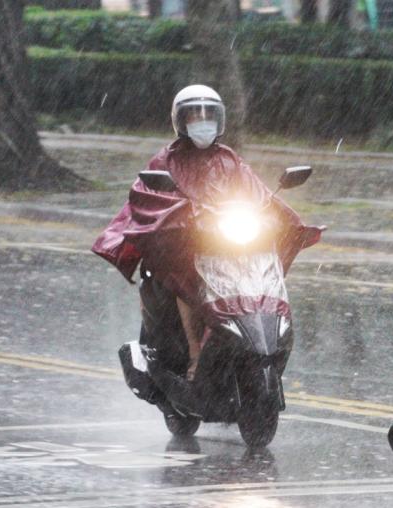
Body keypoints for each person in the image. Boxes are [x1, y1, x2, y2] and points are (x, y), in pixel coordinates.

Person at [92, 84, 321, 380]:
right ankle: (195, 356)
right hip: (189, 246)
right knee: (187, 284)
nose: (203, 123)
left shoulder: (228, 159)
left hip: (228, 243)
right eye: (194, 116)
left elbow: (259, 194)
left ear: (220, 120)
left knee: (261, 278)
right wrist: (185, 218)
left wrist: (277, 216)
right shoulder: (167, 160)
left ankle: (266, 346)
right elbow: (149, 197)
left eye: (209, 115)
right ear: (181, 121)